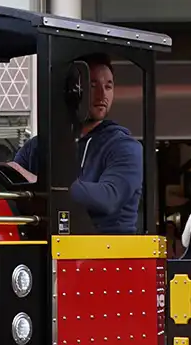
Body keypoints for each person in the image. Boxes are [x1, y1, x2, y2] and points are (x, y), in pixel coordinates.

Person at [8, 54, 143, 236]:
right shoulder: (39, 146)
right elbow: (13, 187)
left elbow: (108, 198)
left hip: (108, 252)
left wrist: (39, 184)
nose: (102, 94)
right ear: (74, 89)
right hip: (48, 247)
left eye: (108, 86)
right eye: (93, 85)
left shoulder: (124, 147)